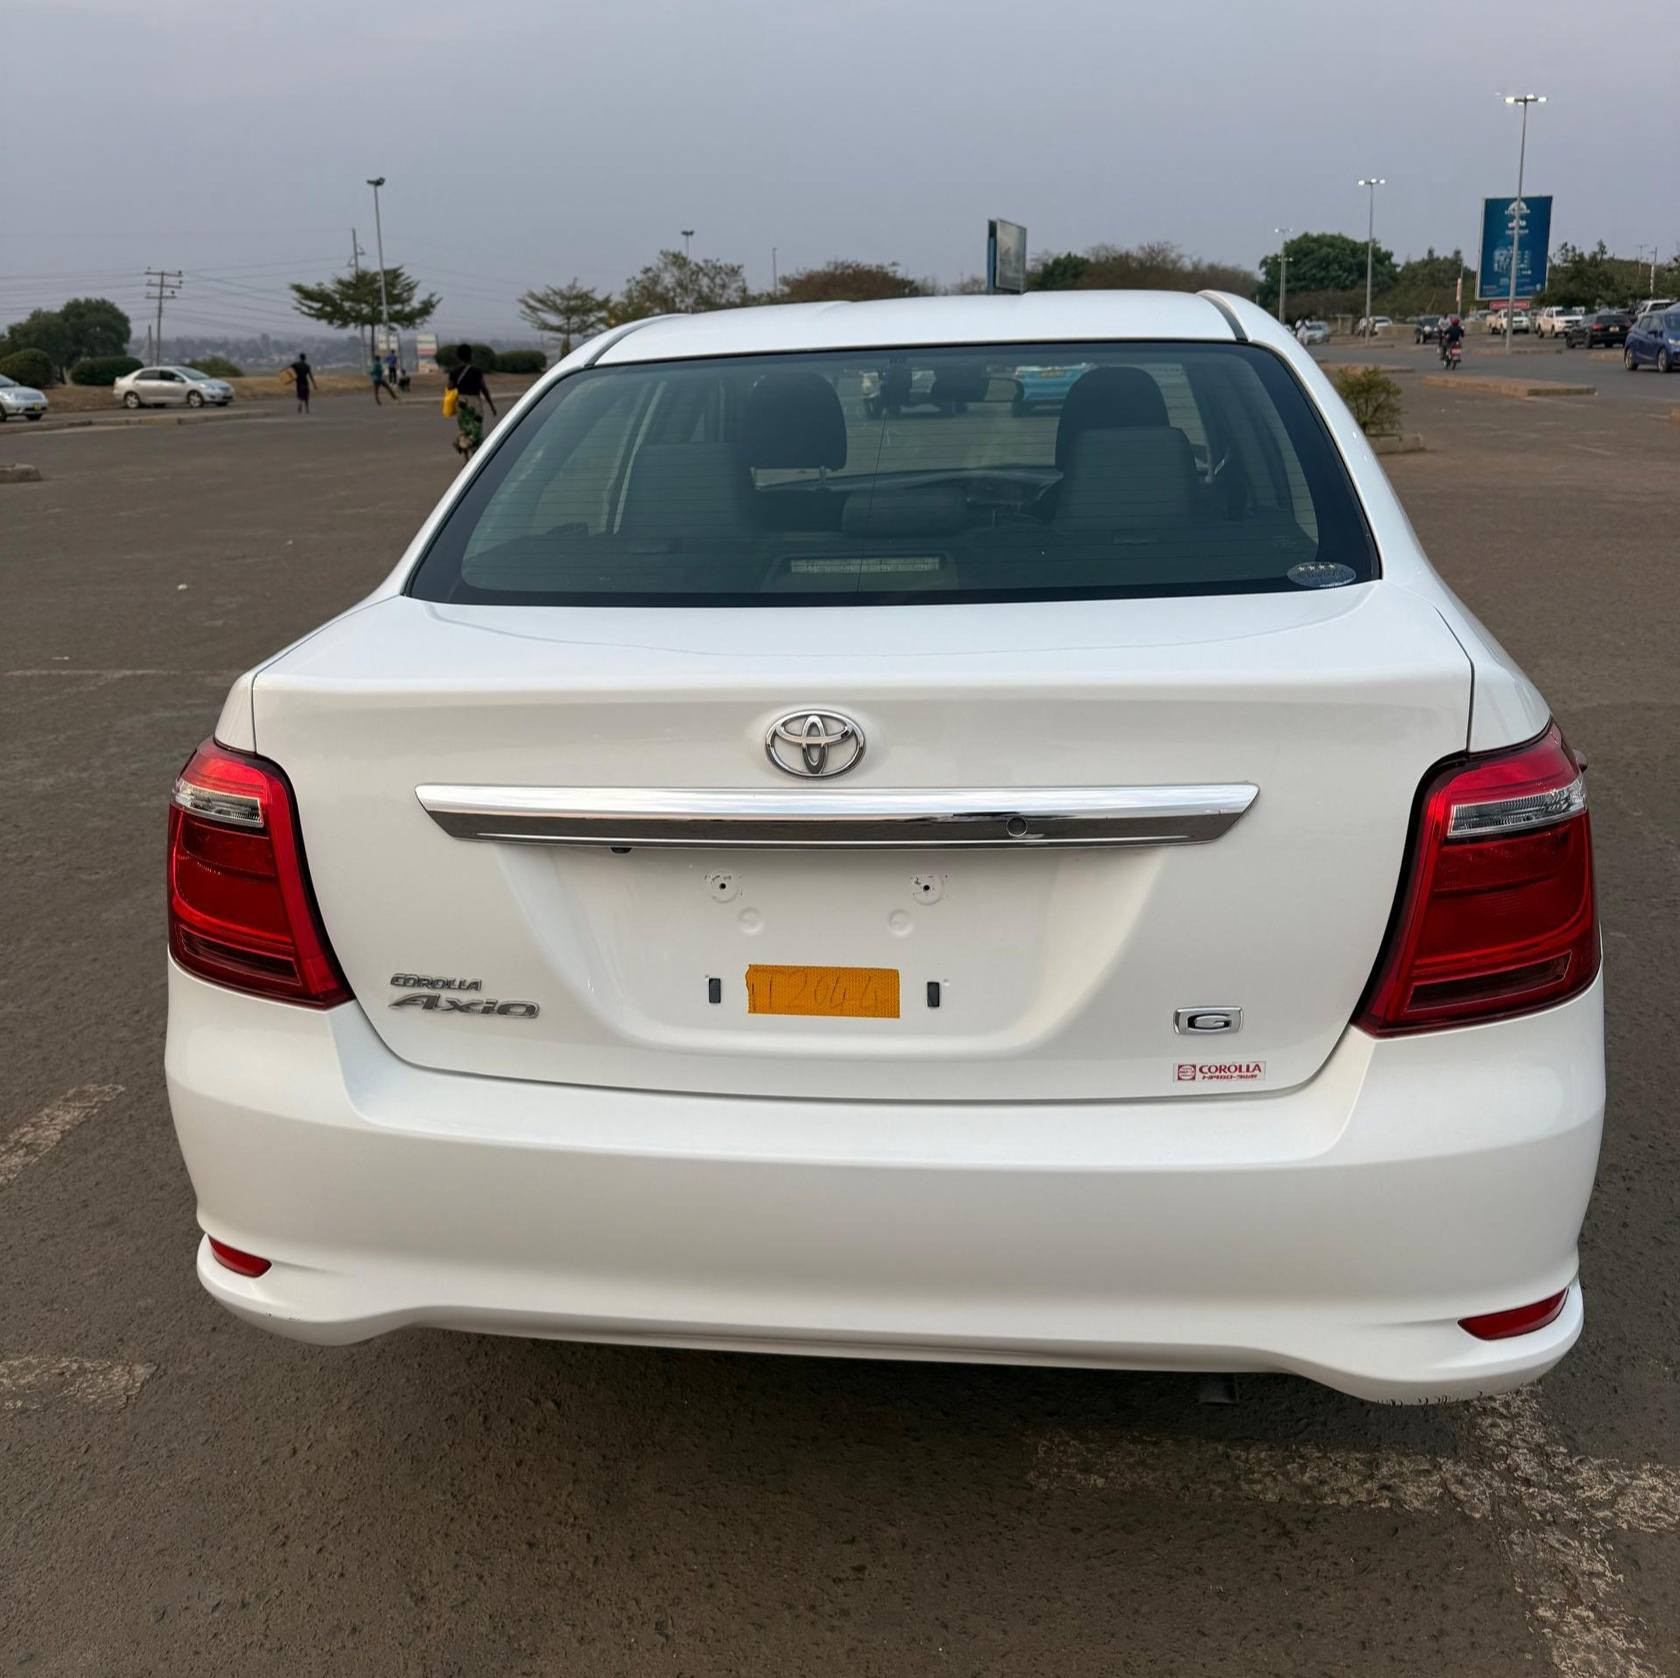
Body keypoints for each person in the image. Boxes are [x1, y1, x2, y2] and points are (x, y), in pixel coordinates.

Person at [447, 343, 497, 458]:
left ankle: (466, 459)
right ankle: (476, 455)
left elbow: (449, 387)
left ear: (458, 356)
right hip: (475, 402)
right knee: (476, 429)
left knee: (464, 429)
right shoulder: (476, 371)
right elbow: (484, 389)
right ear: (470, 355)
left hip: (461, 403)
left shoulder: (454, 372)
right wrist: (491, 406)